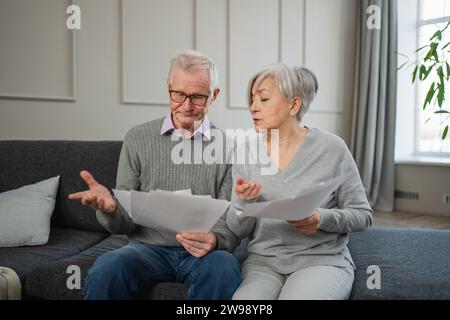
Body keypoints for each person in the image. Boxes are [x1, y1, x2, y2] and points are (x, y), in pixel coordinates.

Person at [68, 49, 241, 300]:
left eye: (198, 97)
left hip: (205, 255)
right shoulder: (137, 138)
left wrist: (216, 240)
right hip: (146, 249)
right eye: (178, 94)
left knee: (224, 267)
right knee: (107, 268)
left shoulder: (229, 147)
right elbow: (124, 223)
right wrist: (110, 209)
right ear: (168, 87)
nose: (187, 106)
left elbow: (231, 220)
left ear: (214, 95)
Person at [221, 63, 373, 300]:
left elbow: (363, 215)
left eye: (264, 99)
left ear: (294, 104)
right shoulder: (245, 153)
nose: (253, 107)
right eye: (252, 99)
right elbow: (237, 229)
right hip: (263, 263)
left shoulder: (332, 148)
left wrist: (321, 219)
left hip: (320, 261)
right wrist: (242, 202)